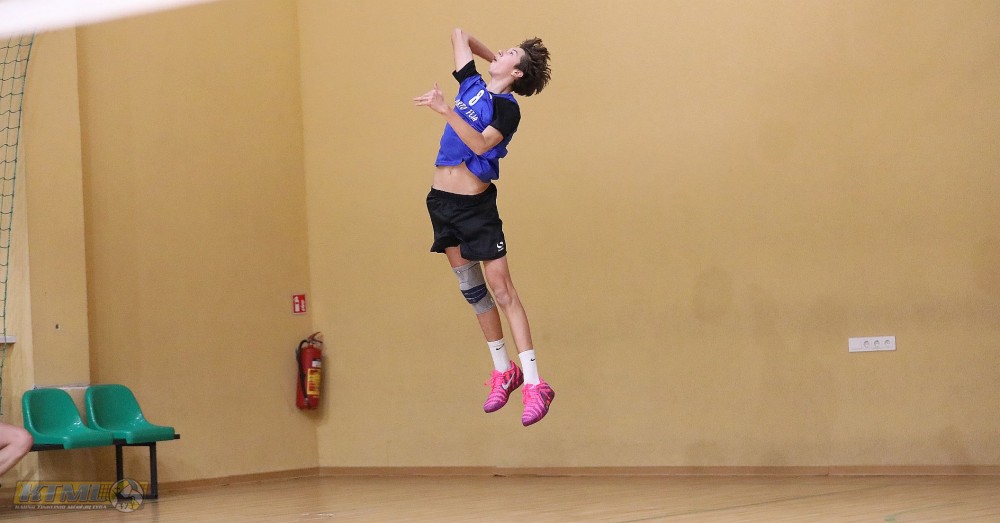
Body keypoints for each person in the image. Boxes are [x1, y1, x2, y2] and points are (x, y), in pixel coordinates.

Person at [413, 28, 554, 426]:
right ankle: (503, 371)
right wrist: (497, 60)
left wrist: (446, 110)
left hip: (475, 208)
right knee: (472, 291)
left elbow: (479, 144)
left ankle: (535, 383)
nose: (502, 52)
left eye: (511, 54)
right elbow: (460, 35)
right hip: (441, 203)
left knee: (502, 291)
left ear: (518, 74)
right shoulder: (472, 85)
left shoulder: (507, 109)